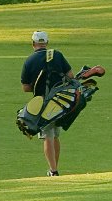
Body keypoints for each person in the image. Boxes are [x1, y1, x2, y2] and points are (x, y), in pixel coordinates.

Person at [21, 30, 73, 175]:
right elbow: (70, 76)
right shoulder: (57, 55)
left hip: (42, 104)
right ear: (47, 43)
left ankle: (53, 170)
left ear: (33, 44)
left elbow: (25, 87)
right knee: (55, 136)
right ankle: (55, 167)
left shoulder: (29, 60)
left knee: (47, 137)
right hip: (60, 102)